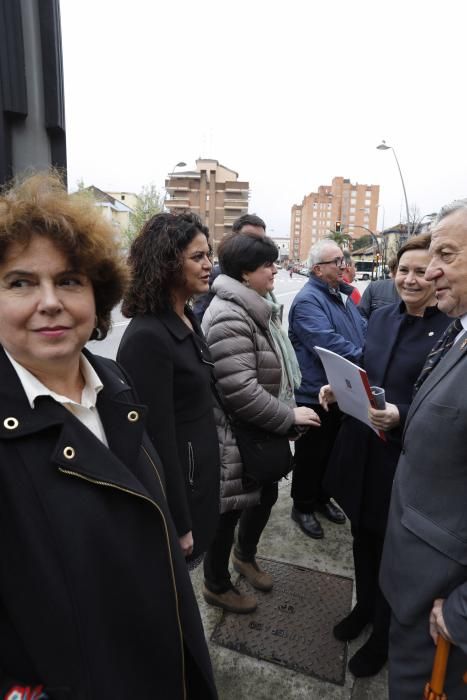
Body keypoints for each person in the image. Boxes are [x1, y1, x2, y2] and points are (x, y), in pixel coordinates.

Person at [0, 173, 217, 699]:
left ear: (97, 296)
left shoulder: (114, 382)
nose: (49, 302)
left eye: (70, 280)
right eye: (20, 282)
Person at [321, 233, 450, 678]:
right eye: (404, 271)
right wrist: (339, 389)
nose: (410, 280)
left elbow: (446, 405)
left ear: (438, 274)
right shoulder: (380, 316)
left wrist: (403, 415)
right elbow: (368, 369)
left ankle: (384, 633)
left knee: (394, 552)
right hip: (362, 451)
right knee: (362, 537)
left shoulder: (451, 332)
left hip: (404, 458)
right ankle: (365, 608)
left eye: (420, 271)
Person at [201, 231, 320, 613]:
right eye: (268, 264)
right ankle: (216, 583)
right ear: (244, 271)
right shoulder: (228, 315)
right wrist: (289, 415)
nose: (276, 269)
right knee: (230, 509)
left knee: (264, 495)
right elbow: (240, 391)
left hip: (256, 430)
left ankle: (244, 556)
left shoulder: (256, 305)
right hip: (236, 433)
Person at [379, 200, 467, 699]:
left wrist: (462, 612)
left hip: (444, 602)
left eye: (446, 255)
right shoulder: (459, 335)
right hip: (416, 578)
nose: (430, 273)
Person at [117, 212, 220, 567]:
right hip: (181, 501)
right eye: (197, 257)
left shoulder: (187, 317)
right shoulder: (148, 337)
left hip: (200, 482)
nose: (209, 265)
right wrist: (178, 522)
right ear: (166, 265)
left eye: (209, 255)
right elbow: (153, 441)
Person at [288, 239, 367, 539]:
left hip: (340, 387)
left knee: (332, 451)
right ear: (318, 269)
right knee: (311, 454)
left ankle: (321, 498)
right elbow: (326, 342)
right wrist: (367, 357)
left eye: (344, 259)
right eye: (337, 261)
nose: (344, 264)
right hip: (315, 392)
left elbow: (361, 330)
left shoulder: (339, 295)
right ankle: (303, 505)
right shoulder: (309, 300)